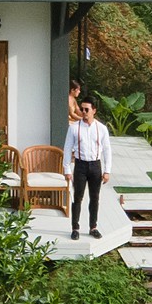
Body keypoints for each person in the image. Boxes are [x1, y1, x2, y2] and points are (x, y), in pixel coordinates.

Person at [63, 96, 113, 240]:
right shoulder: (74, 128)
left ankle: (93, 227)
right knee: (77, 197)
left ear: (94, 111)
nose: (84, 112)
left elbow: (107, 150)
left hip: (95, 165)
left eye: (87, 109)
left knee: (95, 197)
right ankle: (75, 228)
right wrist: (67, 169)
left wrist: (107, 170)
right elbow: (67, 149)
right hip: (80, 165)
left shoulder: (101, 129)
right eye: (82, 109)